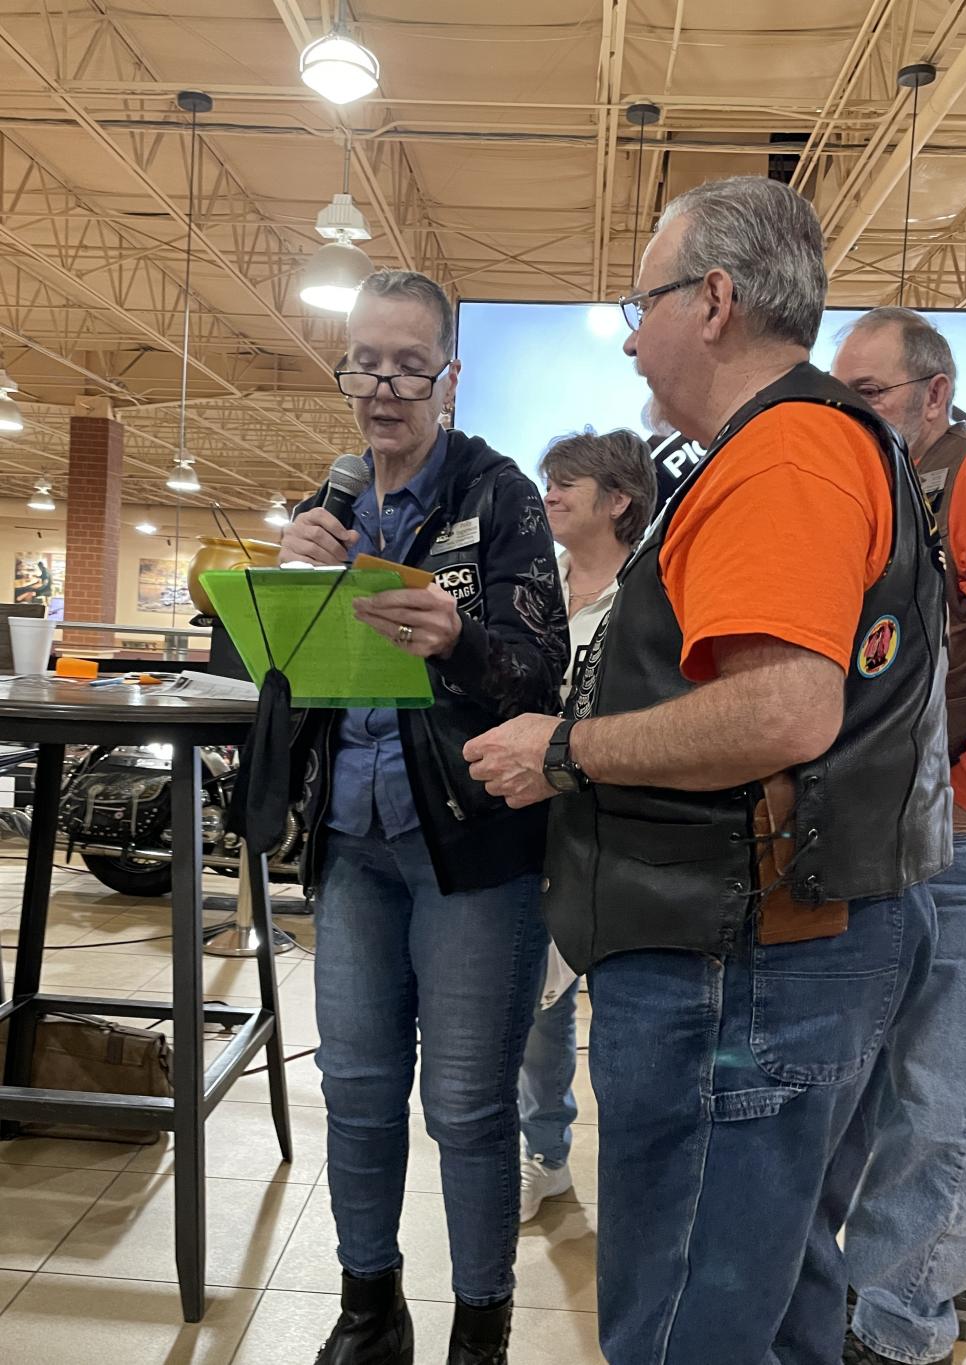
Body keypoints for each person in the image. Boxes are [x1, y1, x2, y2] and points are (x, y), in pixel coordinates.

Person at [463, 175, 951, 1365]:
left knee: (688, 1308)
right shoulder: (799, 445)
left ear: (716, 301)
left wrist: (563, 750)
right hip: (774, 939)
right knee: (773, 1294)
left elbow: (782, 710)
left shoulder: (784, 454)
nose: (632, 340)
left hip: (736, 957)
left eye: (644, 306)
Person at [280, 268, 567, 1365]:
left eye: (408, 366)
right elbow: (280, 673)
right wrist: (285, 582)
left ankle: (480, 1331)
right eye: (364, 364)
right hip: (351, 845)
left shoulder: (498, 496)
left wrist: (460, 639)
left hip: (472, 847)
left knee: (465, 1106)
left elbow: (543, 670)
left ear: (450, 375)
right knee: (354, 1090)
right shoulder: (333, 501)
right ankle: (370, 1311)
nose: (382, 389)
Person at [832, 308, 966, 1365]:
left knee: (949, 1088)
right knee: (904, 1086)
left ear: (934, 392)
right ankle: (927, 1285)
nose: (853, 413)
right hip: (908, 829)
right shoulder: (898, 493)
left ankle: (895, 1328)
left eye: (870, 393)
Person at [519, 428, 656, 1222]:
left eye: (567, 481)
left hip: (625, 830)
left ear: (618, 499)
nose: (551, 493)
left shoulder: (651, 590)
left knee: (631, 1020)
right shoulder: (533, 585)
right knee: (536, 1012)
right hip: (533, 824)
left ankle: (639, 1191)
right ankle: (544, 1153)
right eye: (550, 478)